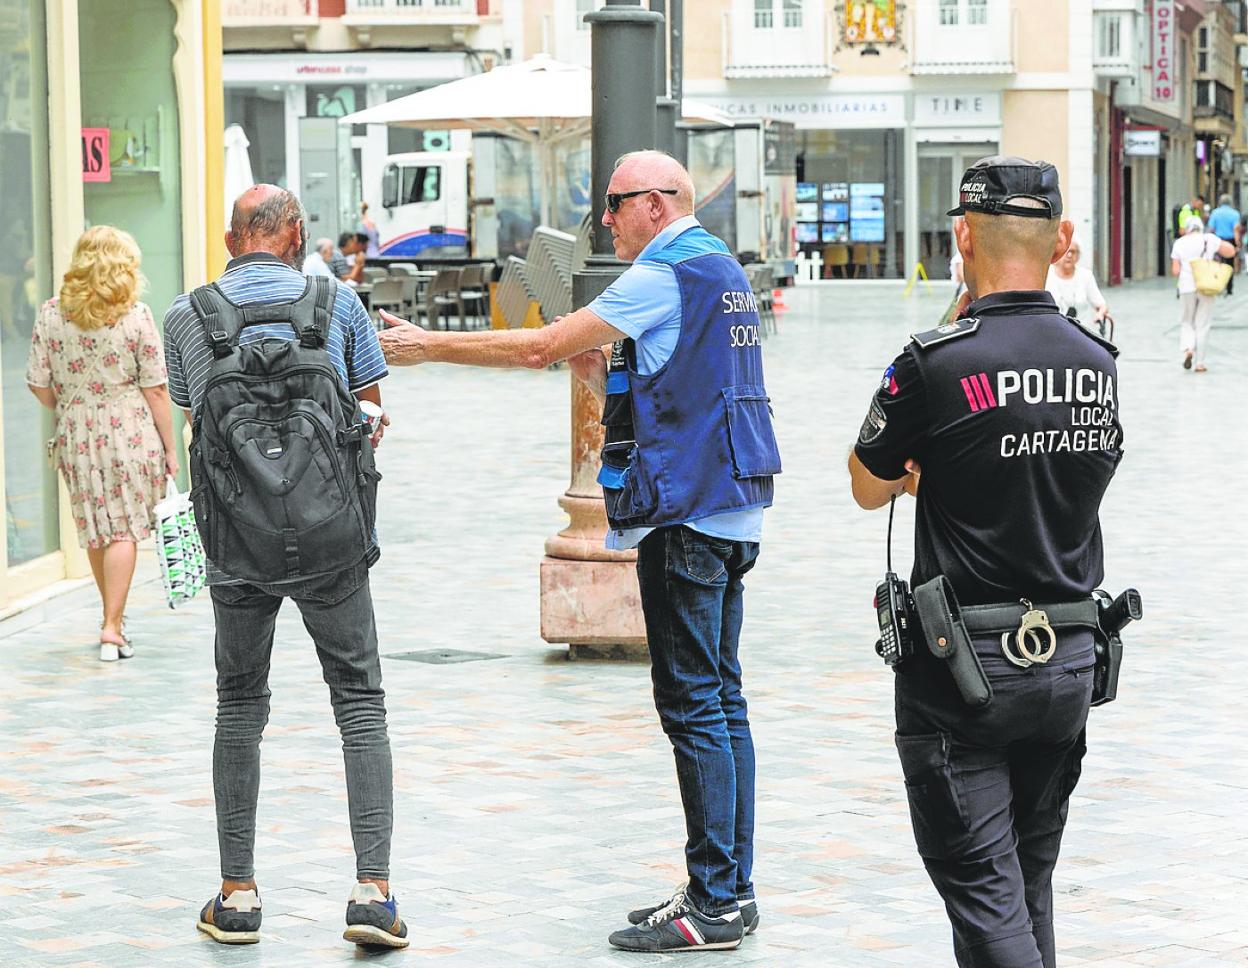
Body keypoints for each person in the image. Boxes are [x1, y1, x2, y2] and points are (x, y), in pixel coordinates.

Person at [376, 150, 780, 953]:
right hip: (735, 506)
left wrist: (427, 348)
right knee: (723, 701)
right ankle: (728, 888)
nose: (605, 218)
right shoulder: (722, 267)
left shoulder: (663, 273)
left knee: (695, 703)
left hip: (689, 514)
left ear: (657, 205)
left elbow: (543, 346)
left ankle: (715, 906)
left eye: (615, 202)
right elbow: (666, 369)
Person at [848, 157, 1125, 968]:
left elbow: (868, 485)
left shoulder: (934, 364)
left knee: (982, 890)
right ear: (1060, 239)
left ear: (961, 237)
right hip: (1071, 660)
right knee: (1024, 882)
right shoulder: (1097, 361)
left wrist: (928, 463)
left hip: (962, 673)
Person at [161, 185, 405, 950]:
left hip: (237, 545)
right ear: (295, 235)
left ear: (231, 240)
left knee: (239, 706)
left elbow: (197, 418)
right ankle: (372, 893)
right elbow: (367, 411)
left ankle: (237, 896)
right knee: (359, 702)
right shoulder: (338, 304)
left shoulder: (187, 317)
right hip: (333, 538)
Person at [25, 226, 178, 661]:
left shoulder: (52, 314)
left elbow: (38, 383)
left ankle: (112, 617)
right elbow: (155, 389)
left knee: (95, 527)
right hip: (128, 426)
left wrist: (71, 404)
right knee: (125, 527)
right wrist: (171, 448)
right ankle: (113, 626)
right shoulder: (136, 315)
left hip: (77, 431)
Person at [1170, 215, 1234, 372]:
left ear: (1187, 228)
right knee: (1203, 323)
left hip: (1186, 286)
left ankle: (1188, 349)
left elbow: (1175, 270)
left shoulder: (1179, 243)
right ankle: (1200, 363)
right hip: (1206, 284)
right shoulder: (1208, 239)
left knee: (1186, 321)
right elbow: (1230, 251)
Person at [1045, 237, 1109, 328]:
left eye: (1073, 252)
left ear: (1078, 256)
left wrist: (1100, 314)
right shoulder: (1046, 274)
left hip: (1082, 331)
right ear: (1058, 253)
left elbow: (1102, 305)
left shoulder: (1086, 275)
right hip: (1054, 330)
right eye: (1066, 251)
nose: (1070, 255)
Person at [1206, 193, 1240, 295]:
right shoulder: (1235, 214)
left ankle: (1218, 285)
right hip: (1230, 241)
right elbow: (1236, 230)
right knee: (1229, 265)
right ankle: (1229, 288)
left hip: (1218, 241)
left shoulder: (1215, 213)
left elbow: (1211, 228)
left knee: (1217, 263)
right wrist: (1237, 243)